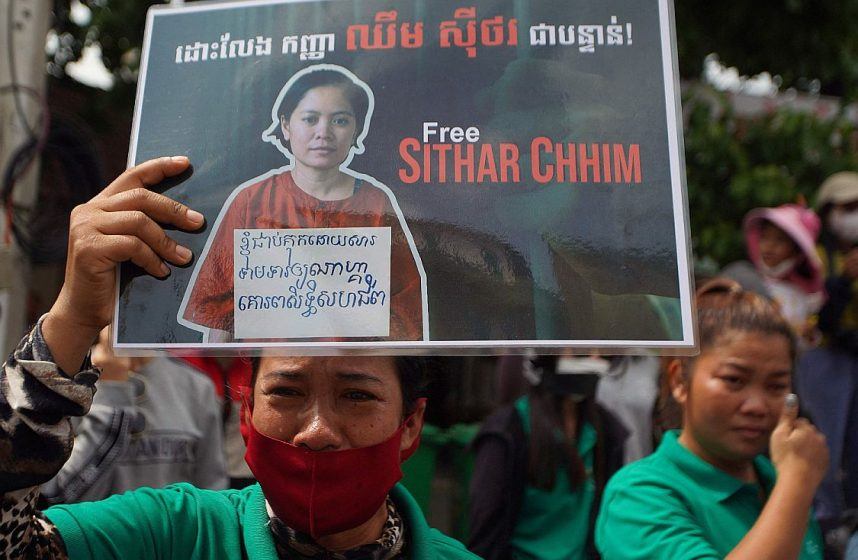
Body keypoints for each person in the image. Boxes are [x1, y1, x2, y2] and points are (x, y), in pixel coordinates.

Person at [0, 157, 476, 559]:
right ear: (246, 410)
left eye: (356, 395)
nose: (317, 431)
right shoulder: (172, 534)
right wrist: (73, 320)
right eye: (286, 392)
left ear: (410, 423)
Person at [179, 64, 426, 343]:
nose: (324, 132)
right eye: (310, 119)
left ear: (357, 129)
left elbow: (406, 314)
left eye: (340, 121)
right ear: (286, 125)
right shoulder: (250, 201)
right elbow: (219, 314)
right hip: (264, 375)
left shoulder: (377, 203)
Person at [596, 278, 829, 560]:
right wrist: (796, 484)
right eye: (734, 380)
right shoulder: (639, 496)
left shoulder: (775, 480)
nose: (757, 406)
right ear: (680, 380)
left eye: (776, 386)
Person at [39, 328, 228, 504]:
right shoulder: (66, 381)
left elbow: (212, 490)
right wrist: (110, 389)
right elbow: (58, 495)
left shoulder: (196, 386)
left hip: (172, 535)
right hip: (95, 532)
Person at [468, 355, 627, 559]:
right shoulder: (508, 434)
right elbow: (485, 537)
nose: (594, 358)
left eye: (598, 349)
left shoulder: (606, 432)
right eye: (581, 351)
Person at [796, 171, 858, 550]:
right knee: (828, 441)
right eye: (847, 208)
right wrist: (843, 282)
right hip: (824, 373)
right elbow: (823, 320)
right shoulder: (813, 259)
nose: (854, 215)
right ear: (828, 212)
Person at [742, 203, 824, 346]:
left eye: (779, 240)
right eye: (764, 237)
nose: (769, 246)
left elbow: (806, 344)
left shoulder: (805, 295)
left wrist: (809, 335)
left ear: (796, 250)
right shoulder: (746, 280)